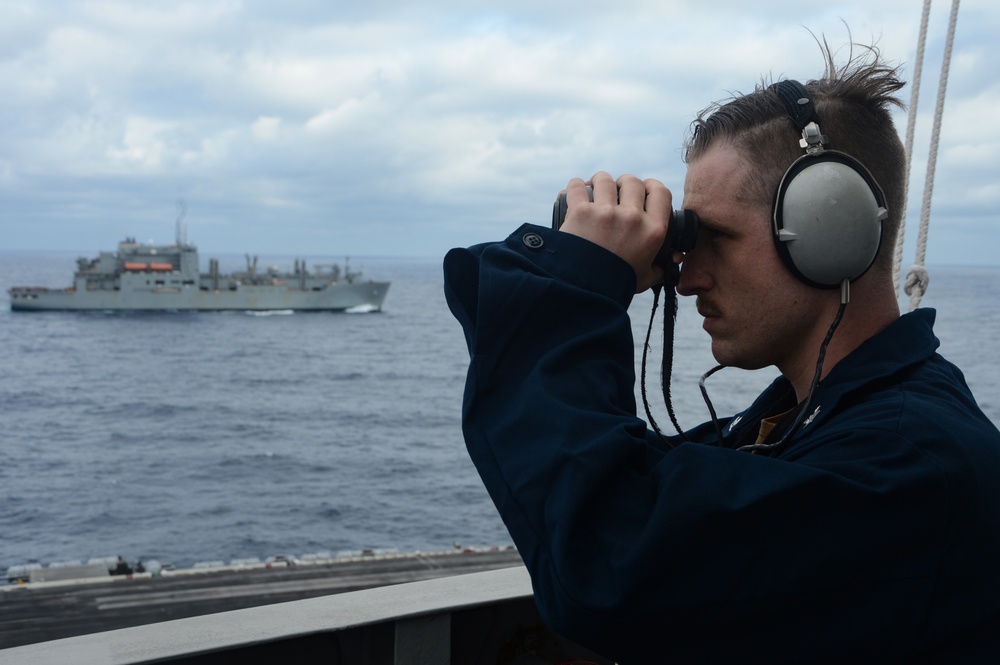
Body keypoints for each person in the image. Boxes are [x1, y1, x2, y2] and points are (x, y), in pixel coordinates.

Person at [443, 42, 1000, 663]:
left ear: (830, 230)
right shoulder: (815, 424)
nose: (686, 277)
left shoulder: (906, 465)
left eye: (719, 239)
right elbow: (647, 498)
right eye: (689, 239)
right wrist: (566, 275)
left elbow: (609, 564)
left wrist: (572, 288)